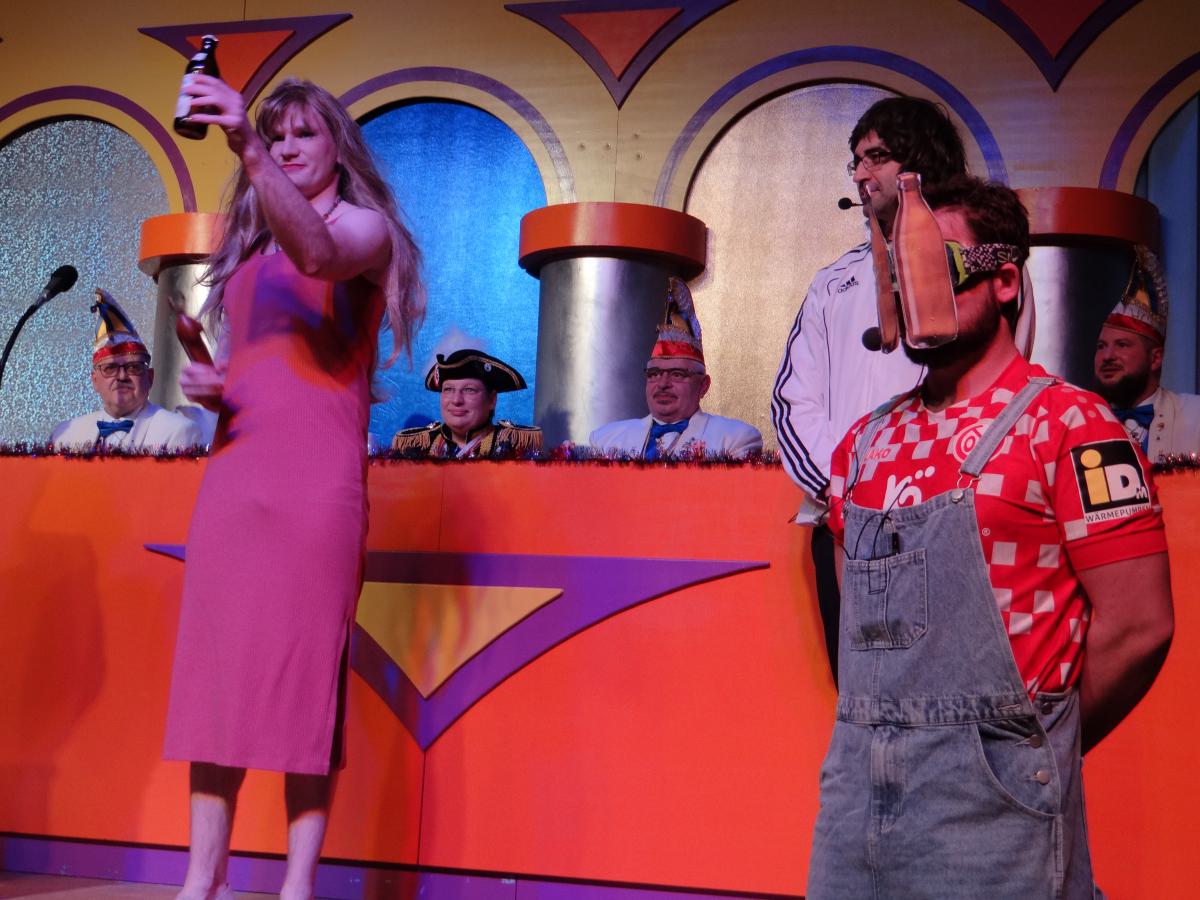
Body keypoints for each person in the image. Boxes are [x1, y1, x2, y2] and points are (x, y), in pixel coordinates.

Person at [806, 175, 1173, 897]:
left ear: (1004, 279)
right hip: (854, 806)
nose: (911, 288)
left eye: (934, 262)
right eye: (899, 269)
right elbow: (861, 624)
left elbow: (1139, 626)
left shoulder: (1073, 427)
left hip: (995, 816)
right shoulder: (864, 444)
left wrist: (1025, 745)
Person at [161, 74, 423, 900]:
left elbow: (318, 254)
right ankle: (202, 880)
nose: (284, 148)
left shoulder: (365, 230)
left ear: (339, 148)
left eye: (302, 134)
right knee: (216, 678)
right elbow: (262, 369)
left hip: (316, 492)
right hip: (236, 479)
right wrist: (216, 384)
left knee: (305, 684)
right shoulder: (249, 253)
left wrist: (243, 140)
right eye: (275, 137)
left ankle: (297, 885)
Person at [771, 96, 1035, 682]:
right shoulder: (833, 281)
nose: (860, 175)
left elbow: (1000, 381)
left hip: (949, 512)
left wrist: (939, 487)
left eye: (877, 158)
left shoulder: (980, 265)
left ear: (919, 162)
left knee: (958, 684)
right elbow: (793, 401)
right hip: (846, 518)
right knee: (861, 689)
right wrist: (841, 490)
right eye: (856, 162)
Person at [590, 277, 762, 459]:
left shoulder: (734, 439)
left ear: (703, 386)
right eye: (654, 374)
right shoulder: (605, 441)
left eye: (677, 374)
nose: (663, 384)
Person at [50, 289, 202, 451]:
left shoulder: (179, 432)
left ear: (150, 377)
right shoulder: (65, 436)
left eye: (133, 367)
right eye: (110, 368)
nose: (122, 376)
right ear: (94, 381)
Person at [1094, 245, 1200, 461]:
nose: (1107, 356)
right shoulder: (1080, 421)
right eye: (1101, 346)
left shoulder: (1195, 416)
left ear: (1156, 358)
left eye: (1122, 345)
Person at [391, 348, 542, 457]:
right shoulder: (418, 447)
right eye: (448, 389)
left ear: (491, 400)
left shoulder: (514, 446)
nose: (456, 400)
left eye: (469, 390)